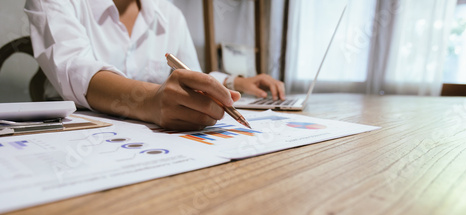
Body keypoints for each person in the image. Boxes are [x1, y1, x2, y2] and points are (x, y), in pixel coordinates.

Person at [24, 0, 285, 130]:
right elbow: (75, 70)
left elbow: (191, 73)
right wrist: (151, 101)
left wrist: (234, 82)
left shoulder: (169, 14)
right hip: (73, 135)